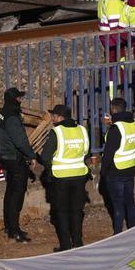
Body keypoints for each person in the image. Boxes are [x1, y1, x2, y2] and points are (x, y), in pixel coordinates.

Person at [40, 104, 90, 251]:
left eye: (53, 116)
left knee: (61, 211)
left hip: (61, 177)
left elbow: (45, 157)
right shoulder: (82, 130)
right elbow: (86, 152)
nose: (52, 119)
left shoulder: (57, 132)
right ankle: (78, 242)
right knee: (76, 210)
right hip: (80, 176)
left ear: (60, 117)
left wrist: (51, 170)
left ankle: (66, 245)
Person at [0, 87, 37, 242]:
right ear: (13, 100)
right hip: (14, 157)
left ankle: (9, 227)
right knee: (16, 195)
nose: (20, 101)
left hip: (7, 156)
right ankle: (14, 230)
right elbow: (20, 141)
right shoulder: (12, 117)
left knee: (10, 192)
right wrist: (31, 155)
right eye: (19, 98)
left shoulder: (3, 113)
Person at [100, 97, 135, 234]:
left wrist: (103, 173)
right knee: (130, 200)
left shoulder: (116, 129)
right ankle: (132, 229)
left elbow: (108, 154)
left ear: (113, 109)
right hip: (131, 168)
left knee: (118, 204)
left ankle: (118, 233)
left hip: (116, 170)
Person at [96, 0, 130, 95]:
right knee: (118, 67)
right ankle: (117, 94)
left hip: (106, 37)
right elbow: (115, 26)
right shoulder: (114, 0)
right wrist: (126, 39)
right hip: (114, 40)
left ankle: (114, 94)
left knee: (112, 66)